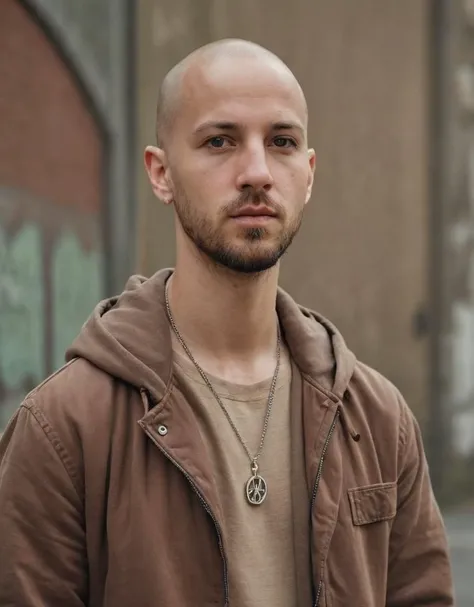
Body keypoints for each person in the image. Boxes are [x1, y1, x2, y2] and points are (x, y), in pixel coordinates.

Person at [0, 39, 454, 607]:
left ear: (308, 175)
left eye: (282, 142)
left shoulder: (380, 420)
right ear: (161, 173)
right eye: (220, 141)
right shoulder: (65, 429)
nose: (258, 171)